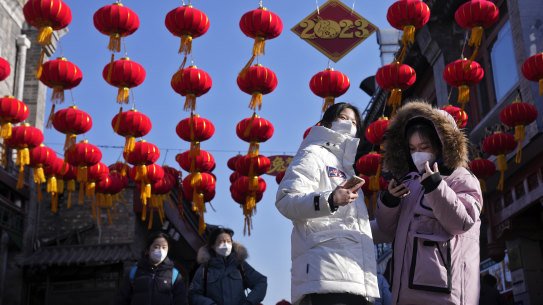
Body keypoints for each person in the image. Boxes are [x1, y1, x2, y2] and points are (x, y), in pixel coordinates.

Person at [375, 101, 483, 304]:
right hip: (405, 293)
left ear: (441, 145)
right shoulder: (409, 181)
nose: (418, 153)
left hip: (445, 292)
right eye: (413, 148)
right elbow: (387, 229)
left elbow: (462, 222)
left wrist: (436, 187)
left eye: (424, 147)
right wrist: (389, 202)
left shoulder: (460, 178)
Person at [276, 102, 379, 305]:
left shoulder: (347, 168)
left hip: (356, 278)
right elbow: (286, 200)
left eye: (354, 121)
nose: (349, 124)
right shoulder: (313, 154)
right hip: (325, 274)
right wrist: (330, 199)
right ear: (326, 123)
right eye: (343, 118)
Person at [188, 227, 267, 305]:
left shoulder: (240, 265)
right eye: (221, 242)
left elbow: (261, 281)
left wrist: (248, 302)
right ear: (212, 245)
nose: (226, 245)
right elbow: (193, 295)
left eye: (228, 241)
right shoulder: (204, 270)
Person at [115, 232, 187, 305]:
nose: (161, 251)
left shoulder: (174, 275)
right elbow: (121, 299)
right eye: (156, 247)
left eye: (164, 247)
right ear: (147, 250)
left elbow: (181, 300)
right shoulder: (134, 272)